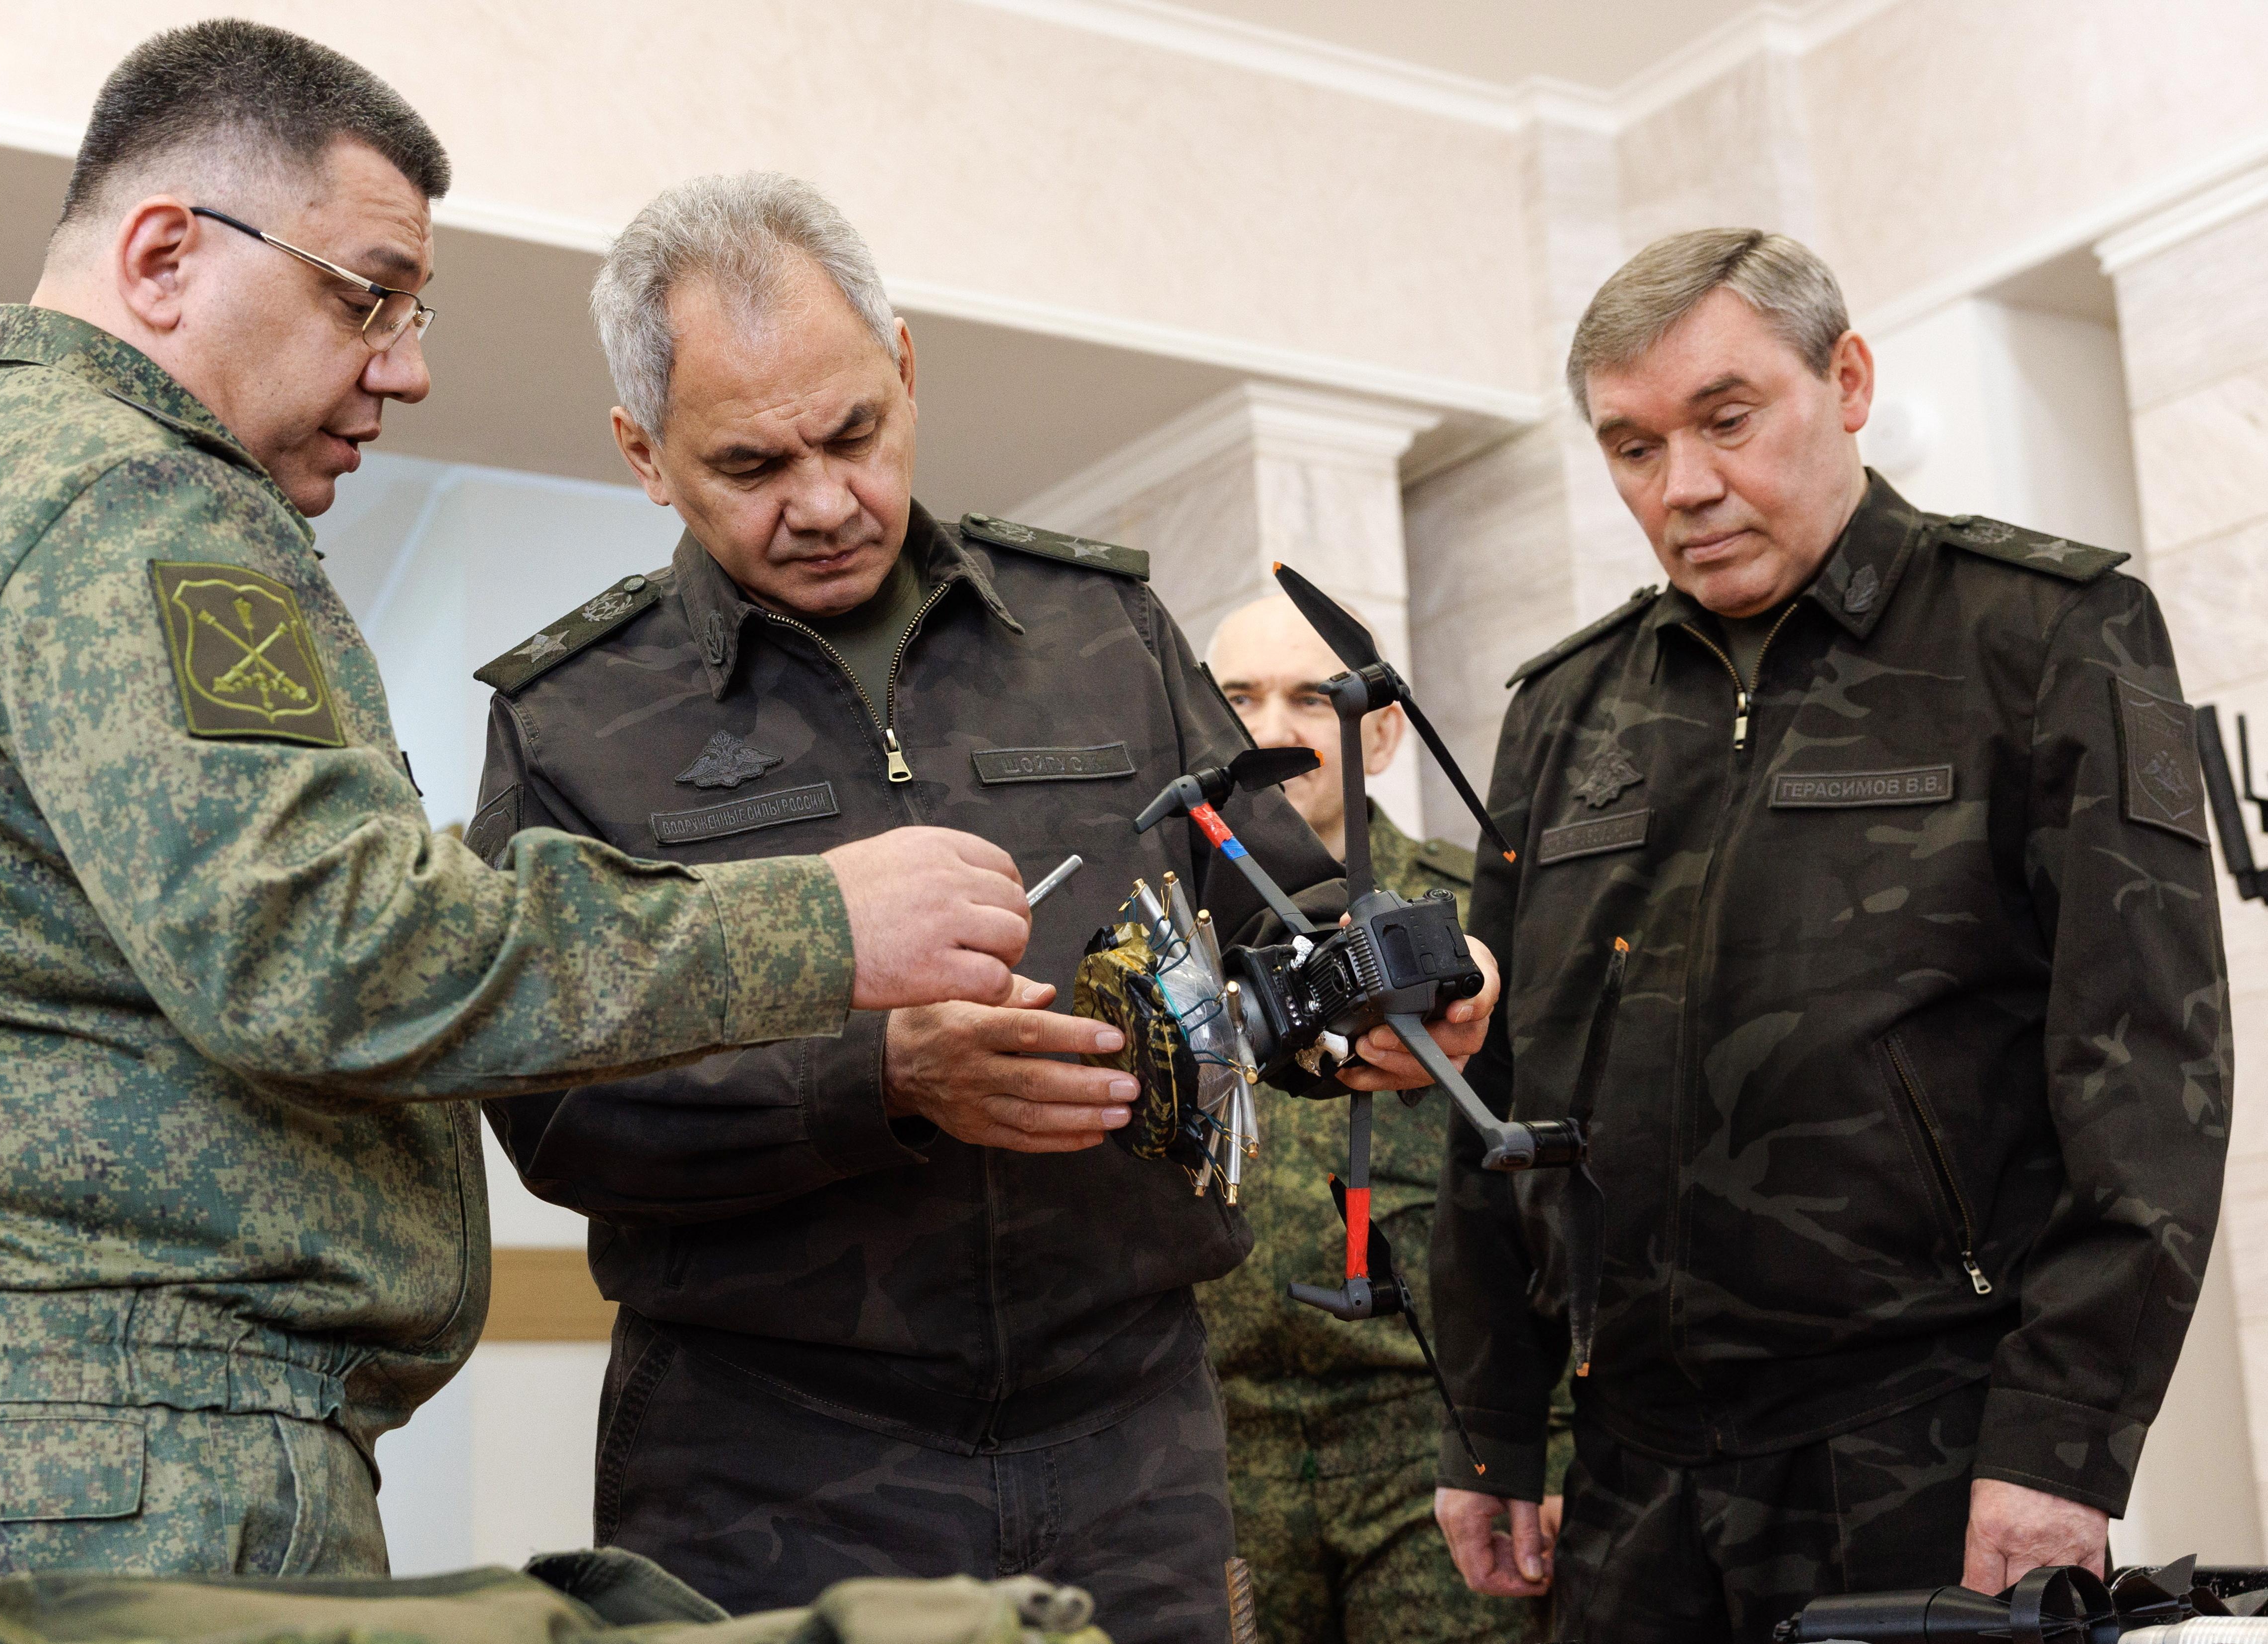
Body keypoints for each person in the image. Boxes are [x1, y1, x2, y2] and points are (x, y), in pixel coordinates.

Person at [0, 24, 1029, 1611]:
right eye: (363, 296)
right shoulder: (120, 495)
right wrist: (827, 921)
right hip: (122, 1472)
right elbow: (329, 945)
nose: (408, 365)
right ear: (166, 254)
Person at [470, 172, 1497, 1644]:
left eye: (854, 434)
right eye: (752, 463)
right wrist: (880, 1078)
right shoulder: (576, 719)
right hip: (765, 1458)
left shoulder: (1100, 631)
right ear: (644, 455)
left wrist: (1390, 984)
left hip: (1131, 1427)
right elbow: (552, 1102)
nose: (824, 502)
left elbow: (1282, 894)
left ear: (904, 367)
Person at [1431, 227, 2230, 1643]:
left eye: (1726, 420)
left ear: (1846, 379)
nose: (1684, 486)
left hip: (1919, 1444)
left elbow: (2149, 1072)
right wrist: (1491, 1413)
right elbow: (1489, 1082)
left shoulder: (2046, 634)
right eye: (1630, 448)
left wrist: (2062, 1437)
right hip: (1630, 1469)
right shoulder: (1564, 711)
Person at [1201, 596, 1555, 1644]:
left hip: (1429, 1445)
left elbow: (1554, 1186)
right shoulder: (1156, 942)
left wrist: (1550, 1442)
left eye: (1313, 696)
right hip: (1221, 1458)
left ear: (1384, 729)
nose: (1274, 729)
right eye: (1238, 698)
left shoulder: (1480, 918)